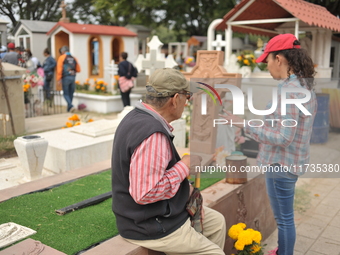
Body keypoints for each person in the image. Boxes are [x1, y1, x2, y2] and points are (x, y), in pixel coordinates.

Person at [111, 68, 226, 255]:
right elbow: (145, 192)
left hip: (155, 215)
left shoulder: (137, 117)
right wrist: (184, 166)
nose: (187, 103)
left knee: (217, 223)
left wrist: (189, 193)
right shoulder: (153, 134)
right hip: (148, 225)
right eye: (187, 97)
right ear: (175, 99)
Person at [220, 34, 317, 255]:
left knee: (284, 220)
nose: (267, 67)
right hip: (290, 162)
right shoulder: (302, 84)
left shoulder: (289, 91)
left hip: (281, 164)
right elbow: (279, 125)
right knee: (285, 217)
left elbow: (283, 137)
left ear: (280, 59)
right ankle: (283, 249)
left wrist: (245, 125)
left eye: (268, 61)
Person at [57, 45, 81, 112]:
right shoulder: (74, 58)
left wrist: (59, 79)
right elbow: (78, 69)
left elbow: (59, 69)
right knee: (71, 93)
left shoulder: (62, 58)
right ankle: (69, 108)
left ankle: (71, 105)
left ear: (63, 51)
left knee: (66, 93)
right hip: (73, 77)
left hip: (65, 77)